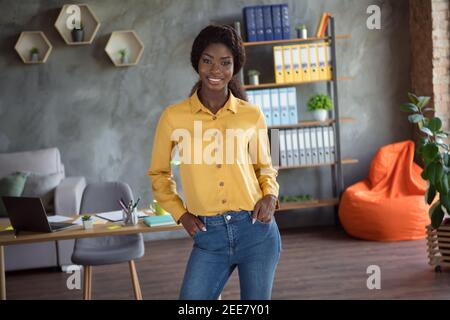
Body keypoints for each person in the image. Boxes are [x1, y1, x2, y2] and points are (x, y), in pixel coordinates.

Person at [148, 24, 281, 300]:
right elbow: (159, 173)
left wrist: (270, 195)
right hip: (209, 236)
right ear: (197, 62)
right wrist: (180, 214)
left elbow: (266, 166)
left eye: (225, 63)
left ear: (235, 66)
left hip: (256, 230)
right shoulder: (173, 117)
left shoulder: (252, 114)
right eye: (207, 61)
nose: (215, 70)